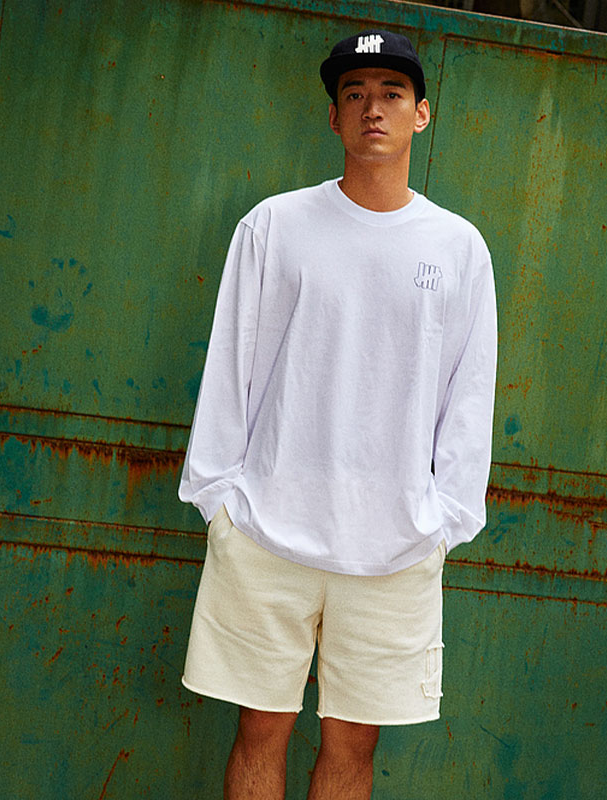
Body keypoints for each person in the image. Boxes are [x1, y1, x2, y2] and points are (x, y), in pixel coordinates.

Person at [178, 28, 497, 800]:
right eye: (354, 94)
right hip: (267, 532)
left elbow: (469, 395)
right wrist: (220, 502)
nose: (372, 108)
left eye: (391, 93)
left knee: (354, 748)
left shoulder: (457, 248)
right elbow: (232, 365)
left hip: (395, 548)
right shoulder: (274, 226)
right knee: (260, 730)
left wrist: (445, 522)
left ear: (422, 113)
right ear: (333, 117)